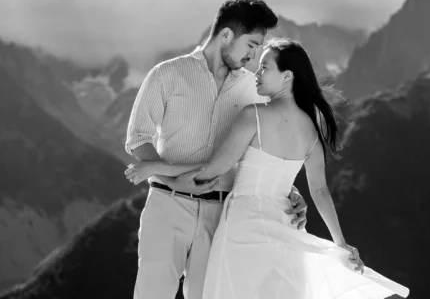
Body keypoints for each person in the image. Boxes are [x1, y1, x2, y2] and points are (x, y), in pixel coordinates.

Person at [125, 38, 409, 299]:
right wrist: (340, 244)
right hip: (285, 225)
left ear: (287, 76)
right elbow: (320, 190)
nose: (256, 74)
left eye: (264, 67)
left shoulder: (255, 116)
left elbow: (212, 170)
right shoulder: (313, 127)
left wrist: (154, 167)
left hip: (241, 226)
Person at [125, 0, 312, 299]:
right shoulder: (167, 74)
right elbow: (138, 138)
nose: (253, 58)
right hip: (168, 205)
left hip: (223, 215)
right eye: (251, 45)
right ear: (226, 35)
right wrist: (176, 180)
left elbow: (263, 151)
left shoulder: (253, 89)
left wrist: (289, 191)